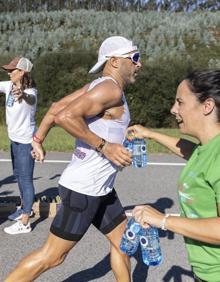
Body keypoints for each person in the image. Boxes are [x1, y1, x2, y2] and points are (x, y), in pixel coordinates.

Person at [5, 36, 141, 282]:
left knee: (123, 244)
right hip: (84, 189)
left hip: (101, 189)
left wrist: (38, 139)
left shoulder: (98, 85)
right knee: (52, 256)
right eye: (134, 58)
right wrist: (105, 147)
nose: (139, 64)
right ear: (113, 61)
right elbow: (67, 116)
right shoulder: (110, 88)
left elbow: (56, 107)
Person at [129, 70, 220, 282]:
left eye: (180, 102)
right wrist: (150, 134)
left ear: (207, 106)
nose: (173, 109)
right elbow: (193, 153)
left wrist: (163, 220)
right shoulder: (207, 148)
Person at [0, 57, 37, 235]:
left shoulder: (31, 92)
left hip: (25, 142)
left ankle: (25, 222)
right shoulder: (8, 86)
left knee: (25, 180)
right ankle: (24, 209)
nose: (9, 72)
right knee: (18, 176)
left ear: (22, 72)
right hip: (14, 139)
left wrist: (22, 94)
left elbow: (29, 99)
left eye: (12, 70)